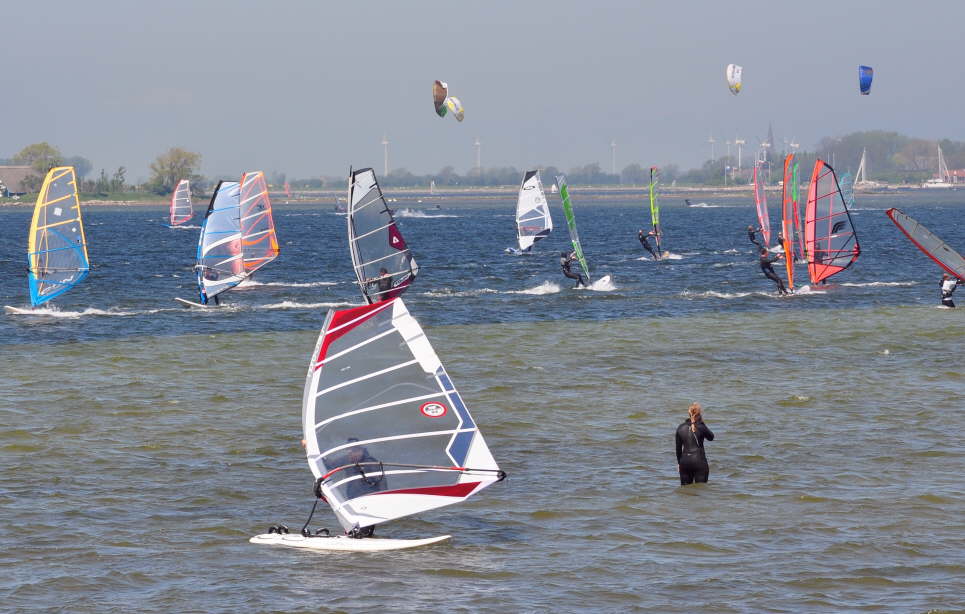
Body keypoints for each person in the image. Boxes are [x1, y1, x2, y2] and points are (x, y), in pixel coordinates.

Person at [675, 402, 715, 485]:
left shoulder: (680, 427)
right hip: (699, 461)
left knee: (686, 491)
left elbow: (678, 449)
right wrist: (702, 423)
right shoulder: (701, 426)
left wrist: (679, 463)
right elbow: (711, 437)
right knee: (701, 491)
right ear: (699, 414)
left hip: (684, 462)